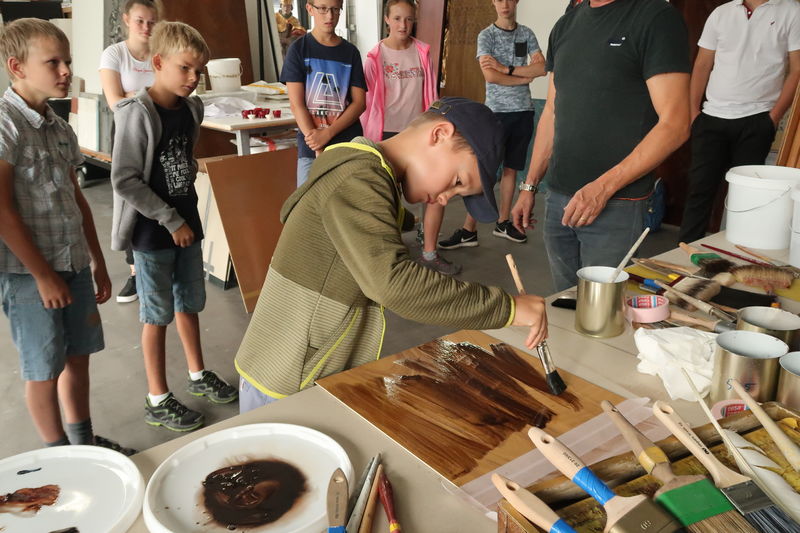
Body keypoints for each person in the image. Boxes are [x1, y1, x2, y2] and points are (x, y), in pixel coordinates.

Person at [235, 97, 549, 412]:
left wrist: (404, 219)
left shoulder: (360, 167)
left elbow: (371, 219)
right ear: (439, 134)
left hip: (301, 364)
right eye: (456, 182)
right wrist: (508, 308)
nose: (444, 199)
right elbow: (392, 283)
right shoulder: (358, 178)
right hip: (288, 378)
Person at [0, 18, 133, 454]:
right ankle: (59, 457)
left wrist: (97, 259)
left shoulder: (58, 126)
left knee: (78, 355)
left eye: (68, 61)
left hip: (73, 262)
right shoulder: (6, 125)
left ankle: (83, 443)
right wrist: (43, 276)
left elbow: (76, 198)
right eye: (52, 62)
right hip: (29, 275)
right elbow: (2, 211)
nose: (65, 71)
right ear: (17, 66)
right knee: (44, 367)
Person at [110, 21, 238, 432]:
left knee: (189, 304)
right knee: (157, 315)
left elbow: (182, 159)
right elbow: (125, 179)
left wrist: (185, 218)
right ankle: (157, 398)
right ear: (158, 62)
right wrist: (171, 219)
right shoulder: (136, 114)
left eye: (198, 70)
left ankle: (197, 374)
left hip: (187, 227)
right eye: (185, 68)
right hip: (153, 234)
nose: (193, 77)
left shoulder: (191, 109)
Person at [512, 0, 691, 291]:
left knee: (602, 307)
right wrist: (529, 185)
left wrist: (603, 188)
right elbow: (552, 111)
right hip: (559, 198)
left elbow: (676, 124)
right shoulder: (566, 25)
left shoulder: (655, 17)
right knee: (565, 300)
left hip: (616, 203)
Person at [678, 0, 800, 243]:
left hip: (757, 120)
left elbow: (797, 69)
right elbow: (702, 64)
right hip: (711, 118)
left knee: (746, 195)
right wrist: (693, 114)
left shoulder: (791, 12)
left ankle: (740, 251)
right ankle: (685, 250)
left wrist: (773, 117)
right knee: (699, 191)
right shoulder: (721, 13)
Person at [439, 0, 545, 252]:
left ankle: (503, 223)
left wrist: (507, 68)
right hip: (495, 112)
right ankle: (468, 230)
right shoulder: (486, 36)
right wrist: (523, 77)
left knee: (511, 170)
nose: (504, 4)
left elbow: (542, 68)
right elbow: (490, 76)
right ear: (493, 2)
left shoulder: (526, 33)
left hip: (523, 112)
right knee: (483, 171)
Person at [361, 0, 453, 273]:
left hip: (419, 133)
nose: (403, 24)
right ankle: (390, 257)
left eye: (409, 19)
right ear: (387, 19)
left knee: (435, 190)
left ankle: (429, 252)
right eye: (398, 18)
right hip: (386, 136)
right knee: (387, 198)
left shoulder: (422, 52)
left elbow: (431, 95)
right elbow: (367, 102)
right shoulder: (375, 57)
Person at [99, 0, 160, 305]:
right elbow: (115, 102)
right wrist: (150, 96)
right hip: (127, 134)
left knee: (159, 194)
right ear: (126, 20)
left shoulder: (161, 54)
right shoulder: (115, 54)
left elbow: (172, 94)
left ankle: (158, 262)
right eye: (140, 21)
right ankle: (135, 271)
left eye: (151, 22)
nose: (146, 28)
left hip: (159, 131)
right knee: (130, 198)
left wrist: (134, 95)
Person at [281, 0, 367, 187]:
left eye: (335, 9)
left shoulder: (351, 52)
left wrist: (328, 134)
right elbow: (296, 105)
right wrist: (317, 143)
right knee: (307, 201)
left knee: (348, 200)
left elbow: (359, 103)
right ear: (309, 9)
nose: (330, 16)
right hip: (310, 144)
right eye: (322, 9)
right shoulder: (298, 50)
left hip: (347, 143)